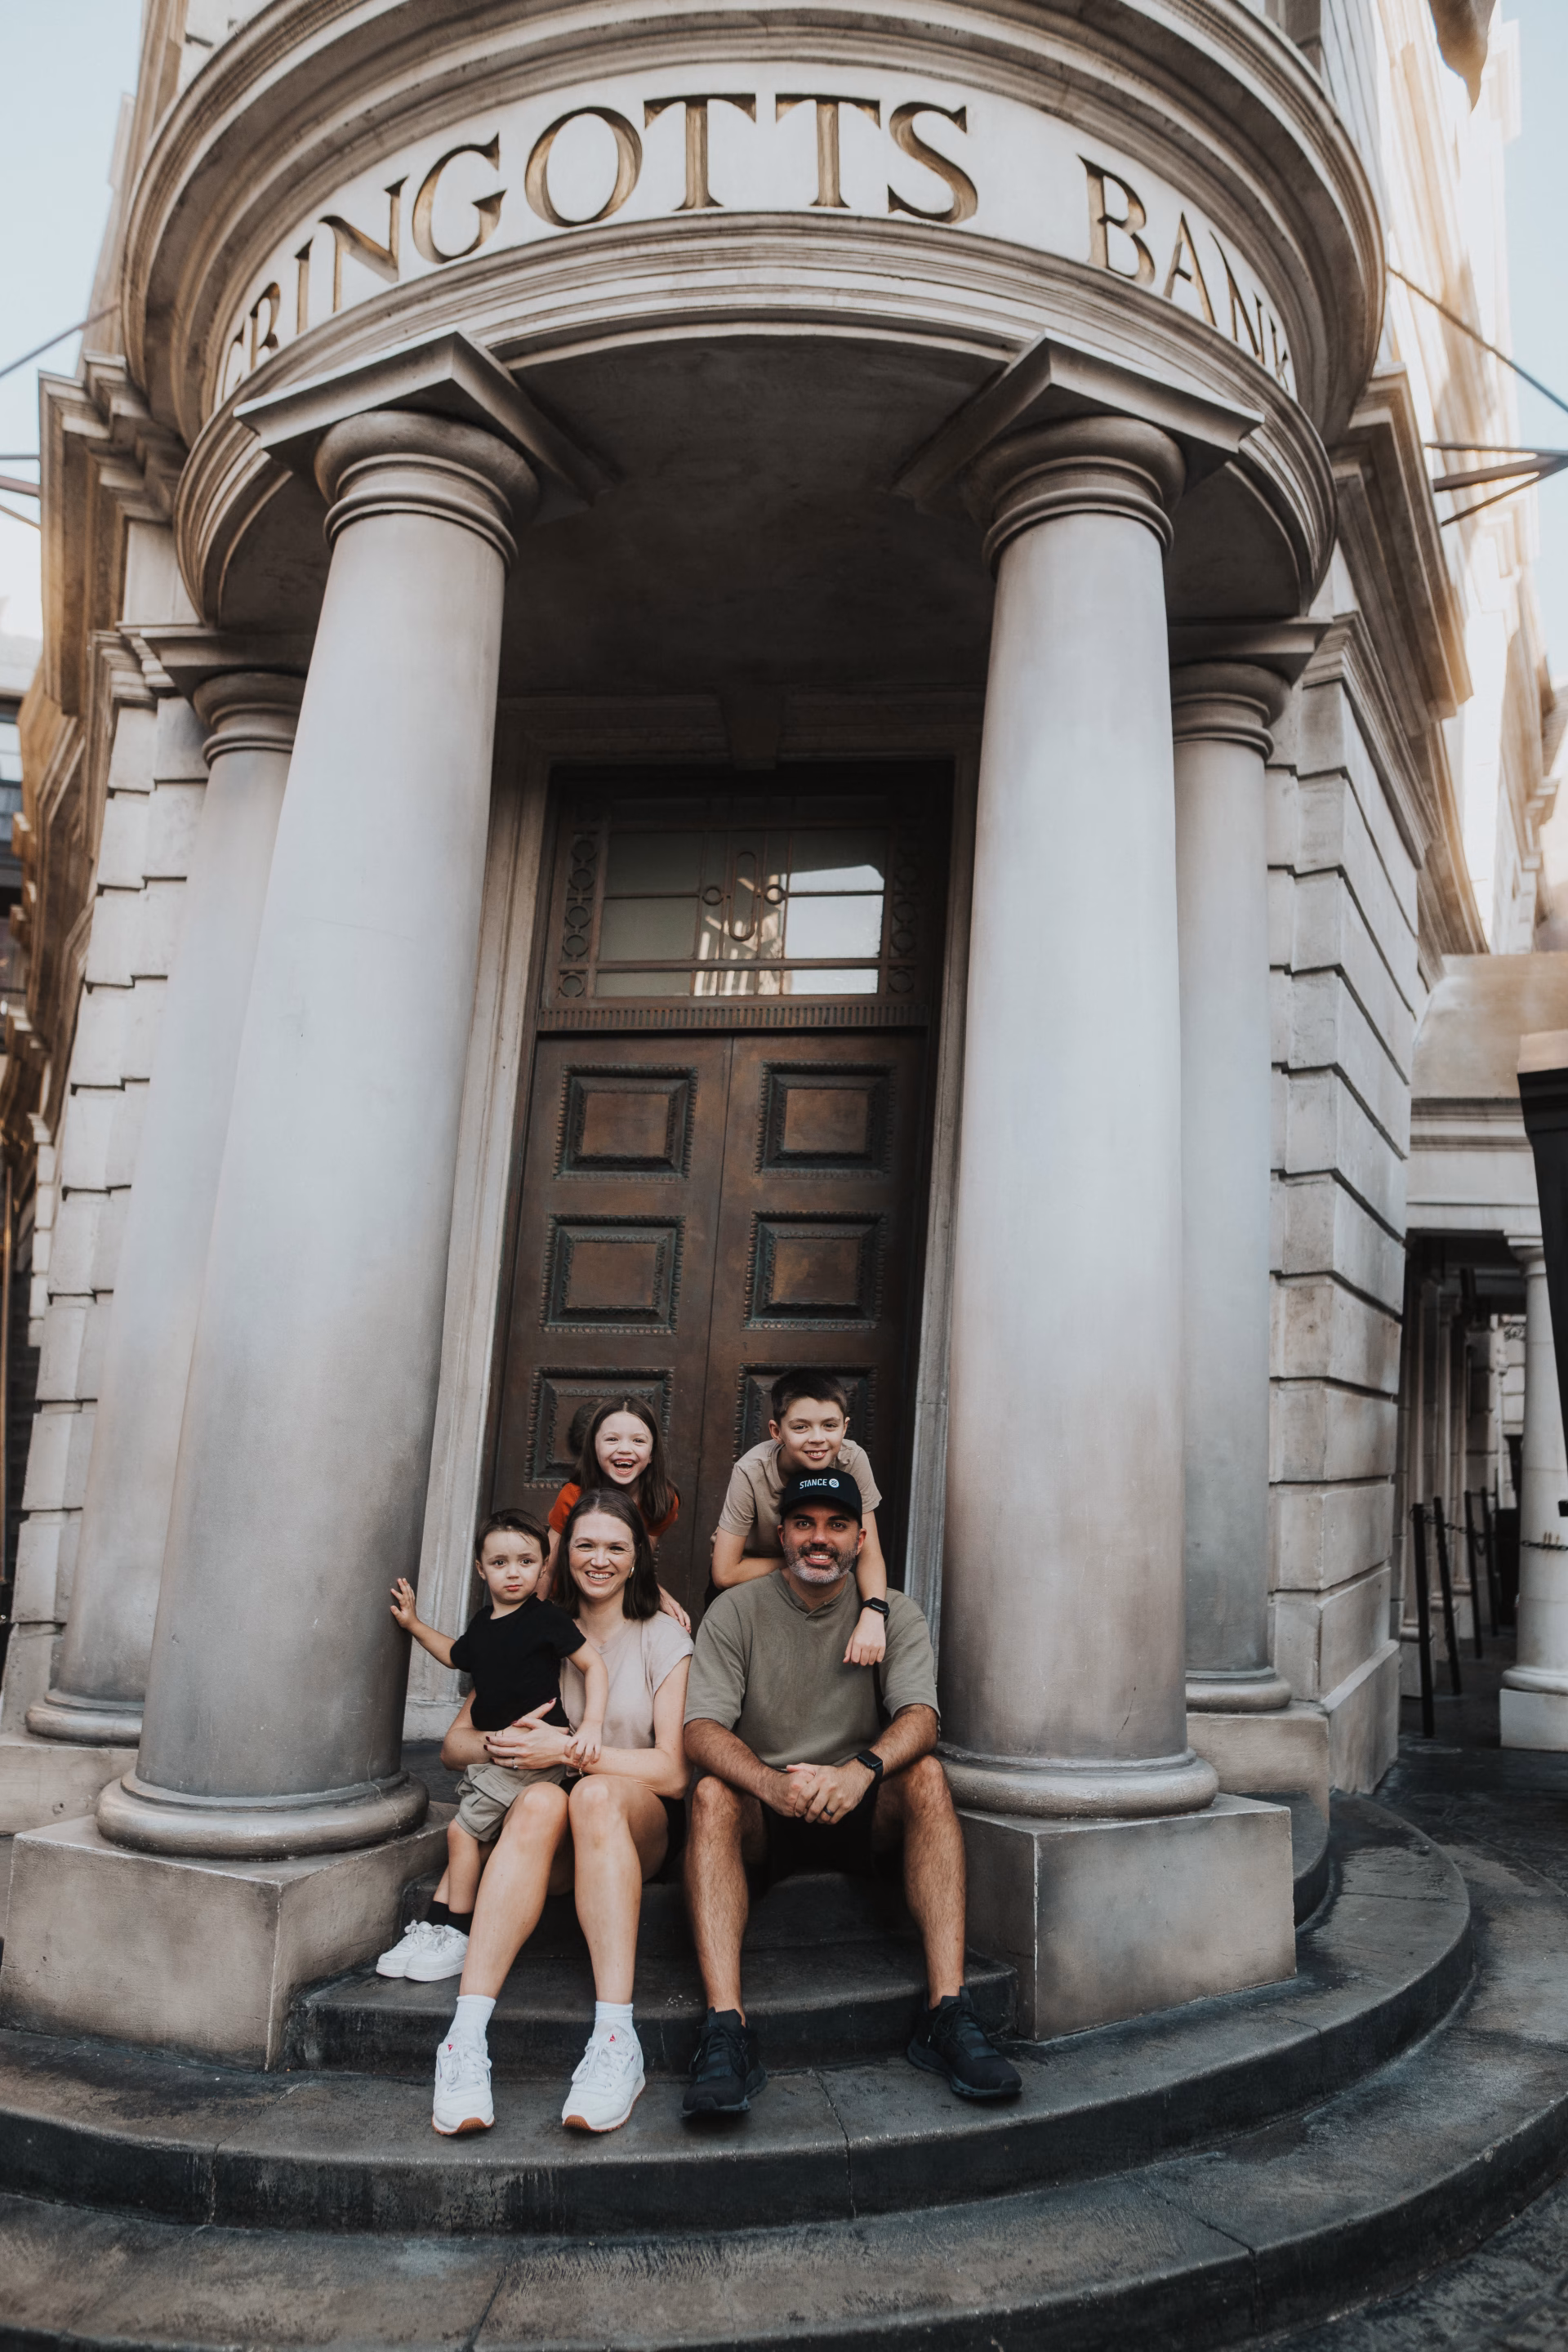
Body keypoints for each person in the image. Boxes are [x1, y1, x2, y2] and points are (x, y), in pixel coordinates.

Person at [682, 1468, 1021, 2115]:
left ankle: (947, 2012)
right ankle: (726, 2030)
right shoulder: (736, 1609)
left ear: (860, 1538)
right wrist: (767, 1783)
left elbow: (921, 1718)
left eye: (837, 1525)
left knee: (927, 1775)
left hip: (858, 1800)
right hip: (769, 1807)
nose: (820, 1538)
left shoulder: (895, 1611)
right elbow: (700, 1730)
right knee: (709, 1796)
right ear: (782, 1533)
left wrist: (861, 1771)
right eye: (804, 1524)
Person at [430, 1488, 694, 2137]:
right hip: (552, 1824)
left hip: (633, 1819)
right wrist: (516, 1744)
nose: (599, 1559)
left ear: (636, 1559)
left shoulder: (662, 1636)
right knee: (543, 1800)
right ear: (562, 1554)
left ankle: (616, 2040)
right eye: (586, 1545)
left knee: (591, 1794)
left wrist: (571, 1752)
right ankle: (464, 2038)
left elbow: (672, 1772)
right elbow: (455, 1747)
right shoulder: (533, 1625)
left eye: (616, 1547)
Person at [381, 1509, 608, 1982]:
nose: (514, 1572)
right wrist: (414, 1624)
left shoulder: (547, 1619)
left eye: (526, 1561)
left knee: (462, 1834)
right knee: (472, 1835)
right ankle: (433, 1927)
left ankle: (457, 1931)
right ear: (481, 1569)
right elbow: (455, 1655)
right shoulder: (484, 1623)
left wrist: (591, 1726)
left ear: (543, 1566)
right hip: (496, 1759)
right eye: (500, 1562)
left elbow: (594, 1666)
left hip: (532, 1757)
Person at [710, 1371, 889, 1665]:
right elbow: (725, 1573)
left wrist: (874, 1612)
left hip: (819, 1575)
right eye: (801, 1427)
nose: (817, 1438)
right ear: (776, 1431)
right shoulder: (751, 1471)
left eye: (829, 1425)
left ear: (845, 1427)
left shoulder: (852, 1460)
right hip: (751, 1577)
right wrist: (800, 1562)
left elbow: (869, 1552)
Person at [548, 1396, 690, 1630]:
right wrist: (534, 1623)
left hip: (614, 1607)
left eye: (638, 1440)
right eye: (612, 1439)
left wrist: (657, 1592)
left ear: (652, 1453)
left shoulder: (662, 1500)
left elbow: (637, 1564)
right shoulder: (572, 1496)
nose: (624, 1449)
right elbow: (547, 1570)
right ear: (594, 1448)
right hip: (565, 1605)